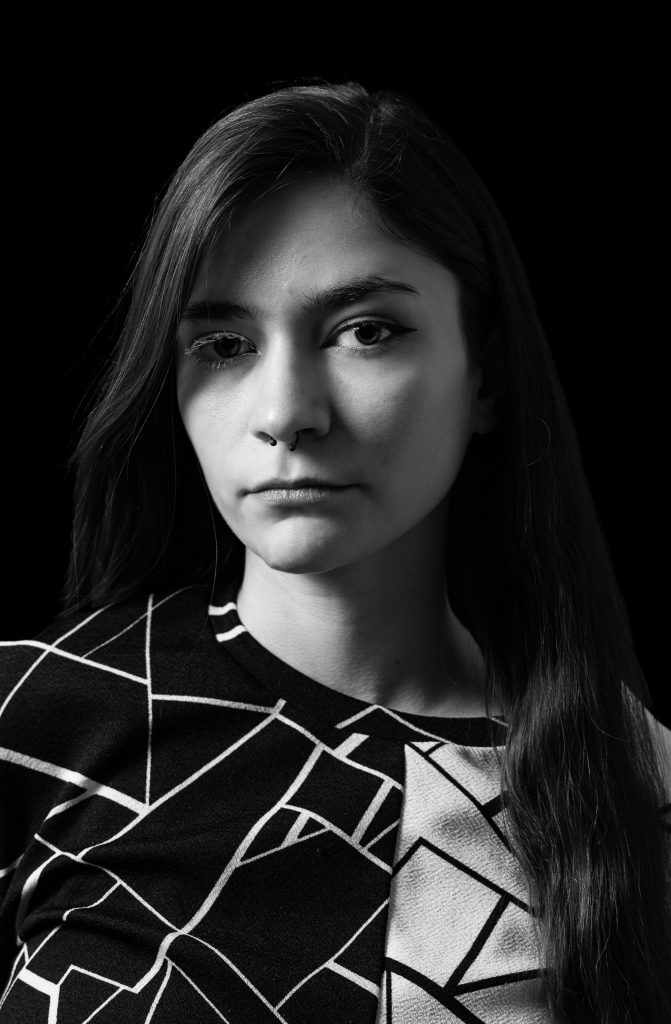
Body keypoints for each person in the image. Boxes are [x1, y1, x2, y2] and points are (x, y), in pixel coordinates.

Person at [0, 81, 669, 1024]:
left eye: (365, 332)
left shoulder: (629, 777)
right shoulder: (36, 718)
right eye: (224, 344)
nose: (286, 414)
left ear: (485, 375)